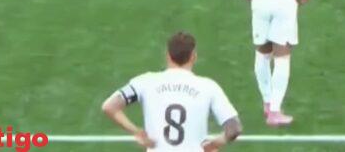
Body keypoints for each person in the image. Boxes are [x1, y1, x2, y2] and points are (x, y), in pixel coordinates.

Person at [101, 32, 242, 151]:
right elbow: (234, 129)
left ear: (167, 55)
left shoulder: (145, 82)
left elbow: (109, 106)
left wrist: (137, 132)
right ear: (193, 56)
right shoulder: (209, 87)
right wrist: (213, 144)